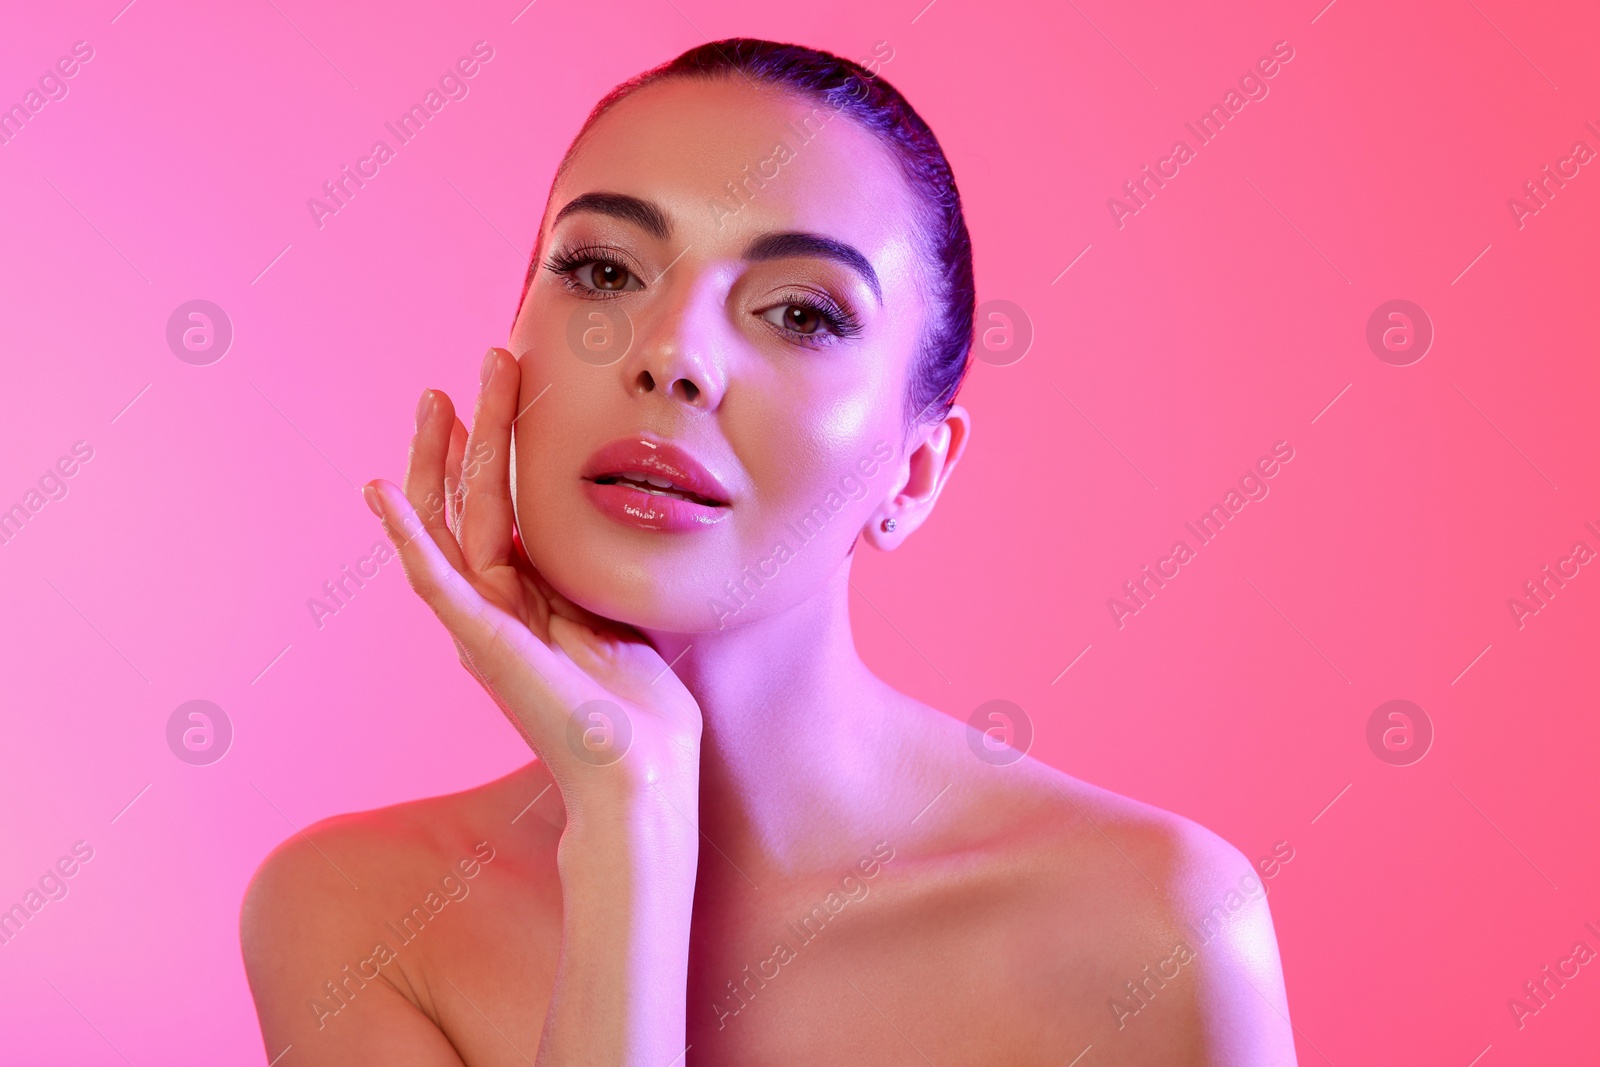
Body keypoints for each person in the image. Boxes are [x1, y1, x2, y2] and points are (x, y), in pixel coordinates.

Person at [241, 38, 1297, 1065]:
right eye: (604, 270)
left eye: (800, 312)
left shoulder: (1148, 928)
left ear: (913, 473)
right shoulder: (356, 914)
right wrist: (628, 828)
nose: (671, 356)